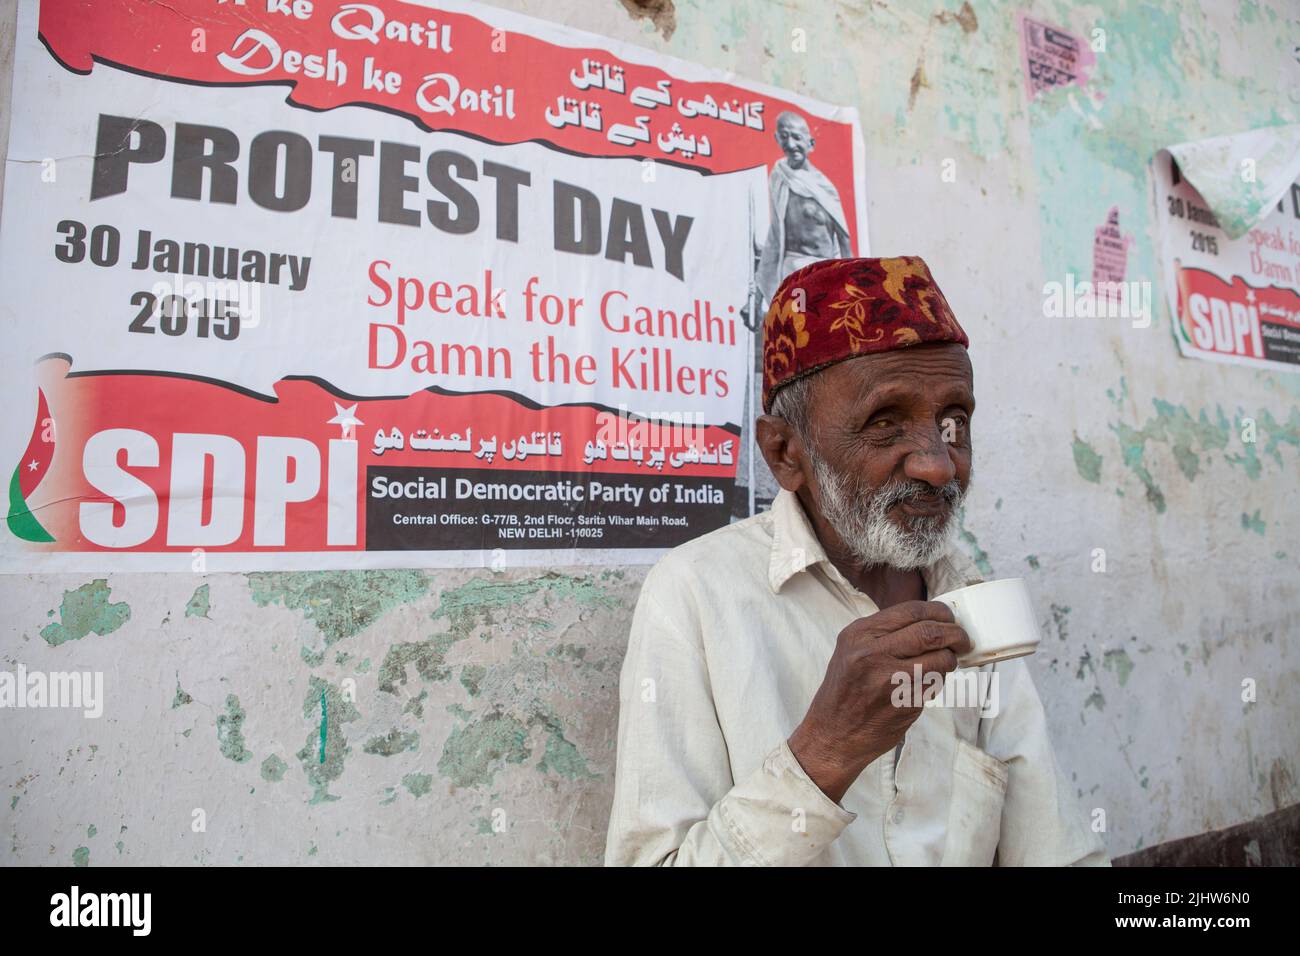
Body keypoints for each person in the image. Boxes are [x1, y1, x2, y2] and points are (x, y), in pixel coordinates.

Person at [605, 256, 1109, 866]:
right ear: (785, 453)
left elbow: (1053, 852)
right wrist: (826, 751)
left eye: (954, 423)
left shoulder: (967, 594)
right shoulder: (695, 597)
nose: (938, 465)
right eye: (884, 422)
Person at [753, 112, 852, 308]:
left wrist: (851, 284)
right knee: (800, 328)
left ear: (810, 143)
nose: (790, 144)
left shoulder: (823, 187)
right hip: (792, 269)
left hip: (823, 269)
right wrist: (757, 298)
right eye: (784, 136)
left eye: (797, 137)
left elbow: (843, 238)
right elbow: (775, 235)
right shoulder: (779, 176)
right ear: (776, 138)